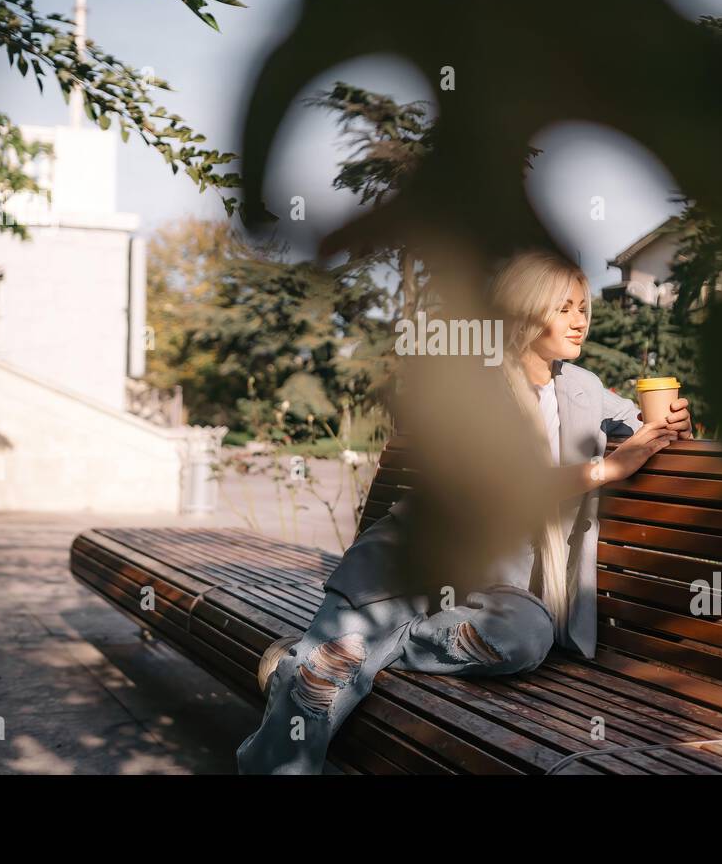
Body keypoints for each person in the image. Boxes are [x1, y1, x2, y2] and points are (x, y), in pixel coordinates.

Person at [235, 249, 692, 774]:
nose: (581, 318)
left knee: (525, 637)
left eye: (584, 306)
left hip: (500, 586)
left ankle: (362, 645)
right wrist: (603, 472)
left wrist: (674, 419)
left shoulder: (583, 389)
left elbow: (645, 426)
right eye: (563, 307)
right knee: (319, 684)